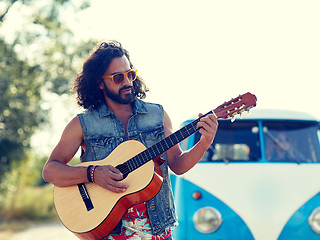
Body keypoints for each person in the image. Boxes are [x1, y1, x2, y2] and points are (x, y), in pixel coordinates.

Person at [42, 40, 218, 239]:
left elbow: (177, 164)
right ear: (100, 83)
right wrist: (92, 173)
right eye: (118, 77)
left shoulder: (157, 115)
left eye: (130, 74)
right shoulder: (83, 124)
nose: (127, 82)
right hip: (108, 232)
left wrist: (204, 143)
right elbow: (50, 171)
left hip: (158, 230)